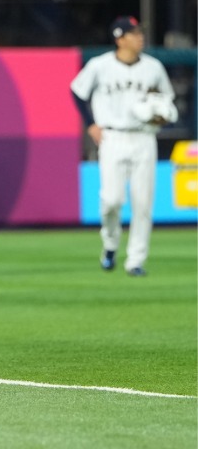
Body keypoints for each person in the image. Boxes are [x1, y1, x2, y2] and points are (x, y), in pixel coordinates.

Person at [70, 16, 178, 277]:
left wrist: (161, 114)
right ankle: (110, 244)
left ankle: (136, 260)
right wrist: (91, 124)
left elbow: (167, 98)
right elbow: (77, 91)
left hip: (144, 138)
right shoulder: (100, 65)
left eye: (140, 33)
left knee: (143, 203)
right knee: (112, 200)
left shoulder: (153, 67)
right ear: (120, 38)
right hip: (113, 137)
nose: (140, 37)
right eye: (134, 33)